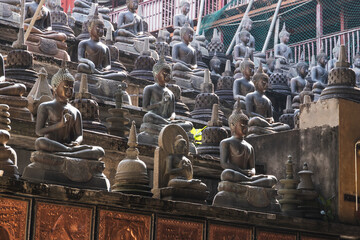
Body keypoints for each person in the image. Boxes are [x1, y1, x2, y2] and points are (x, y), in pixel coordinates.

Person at [34, 64, 104, 159]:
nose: (69, 91)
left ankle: (68, 152)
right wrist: (59, 125)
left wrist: (77, 142)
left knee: (100, 151)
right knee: (40, 142)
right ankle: (69, 152)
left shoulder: (75, 111)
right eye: (66, 87)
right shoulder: (46, 106)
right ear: (55, 87)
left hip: (69, 145)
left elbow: (79, 135)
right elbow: (39, 132)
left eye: (71, 88)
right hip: (52, 144)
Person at [219, 100, 277, 188]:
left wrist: (251, 172)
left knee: (273, 179)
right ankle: (250, 182)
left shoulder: (249, 146)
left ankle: (248, 182)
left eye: (247, 126)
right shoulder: (226, 142)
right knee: (226, 174)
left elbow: (252, 168)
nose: (245, 128)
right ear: (232, 125)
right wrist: (241, 171)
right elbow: (224, 164)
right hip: (236, 174)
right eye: (242, 125)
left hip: (246, 176)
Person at [77, 7, 127, 80]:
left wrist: (106, 69)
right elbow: (80, 58)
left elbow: (108, 65)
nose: (101, 30)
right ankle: (101, 75)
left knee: (123, 75)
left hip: (101, 71)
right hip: (90, 68)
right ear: (90, 28)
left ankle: (100, 75)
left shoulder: (105, 47)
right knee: (81, 67)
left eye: (102, 28)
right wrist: (88, 61)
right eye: (98, 27)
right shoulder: (84, 43)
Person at [245, 64, 290, 135]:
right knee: (255, 120)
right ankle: (269, 129)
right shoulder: (250, 96)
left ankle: (268, 129)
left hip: (266, 124)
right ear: (255, 83)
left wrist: (271, 120)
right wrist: (263, 119)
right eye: (263, 82)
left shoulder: (268, 100)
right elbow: (250, 113)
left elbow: (270, 116)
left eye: (267, 82)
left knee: (286, 126)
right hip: (256, 122)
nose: (266, 84)